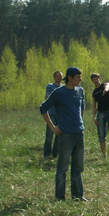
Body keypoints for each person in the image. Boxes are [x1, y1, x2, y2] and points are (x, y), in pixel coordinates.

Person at [40, 66, 86, 201]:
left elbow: (82, 107)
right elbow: (43, 108)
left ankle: (78, 196)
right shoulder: (59, 93)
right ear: (70, 78)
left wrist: (80, 122)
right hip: (66, 135)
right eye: (77, 77)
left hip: (79, 133)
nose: (80, 80)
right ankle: (60, 197)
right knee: (62, 168)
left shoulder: (80, 91)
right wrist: (53, 127)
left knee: (78, 168)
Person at [42, 70, 63, 159]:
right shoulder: (50, 86)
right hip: (51, 113)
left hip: (60, 114)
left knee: (59, 134)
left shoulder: (63, 87)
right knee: (49, 134)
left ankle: (55, 153)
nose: (59, 78)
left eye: (61, 76)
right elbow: (47, 97)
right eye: (58, 76)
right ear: (54, 77)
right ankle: (46, 154)